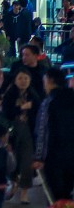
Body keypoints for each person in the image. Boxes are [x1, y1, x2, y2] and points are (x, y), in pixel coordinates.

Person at [1, 67, 40, 203]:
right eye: (20, 78)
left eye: (26, 78)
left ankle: (24, 192)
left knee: (26, 161)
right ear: (15, 80)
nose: (23, 81)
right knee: (12, 161)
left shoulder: (33, 95)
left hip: (28, 133)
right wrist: (21, 108)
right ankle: (13, 183)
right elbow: (6, 114)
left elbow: (38, 114)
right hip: (12, 132)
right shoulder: (10, 94)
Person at [34, 68, 74, 200]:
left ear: (50, 80)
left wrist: (38, 157)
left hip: (53, 156)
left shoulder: (49, 102)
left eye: (44, 80)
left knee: (55, 199)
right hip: (71, 156)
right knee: (67, 196)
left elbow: (42, 131)